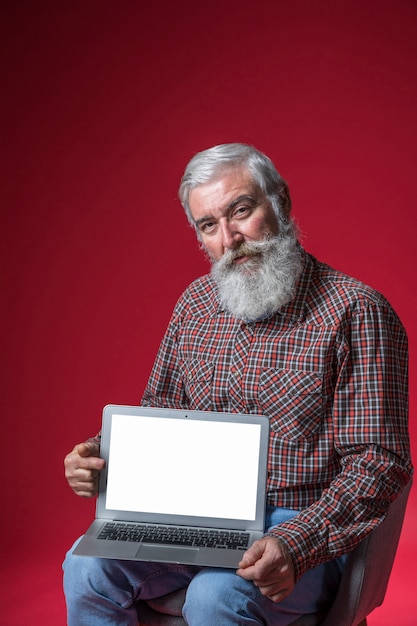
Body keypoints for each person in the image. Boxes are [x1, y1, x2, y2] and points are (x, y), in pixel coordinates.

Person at [63, 143, 412, 626]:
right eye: (209, 225)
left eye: (241, 211)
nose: (229, 238)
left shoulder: (357, 312)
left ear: (282, 202)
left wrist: (296, 542)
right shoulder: (195, 306)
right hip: (197, 521)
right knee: (85, 567)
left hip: (299, 526)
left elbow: (379, 464)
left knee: (215, 596)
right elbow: (161, 412)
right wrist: (101, 454)